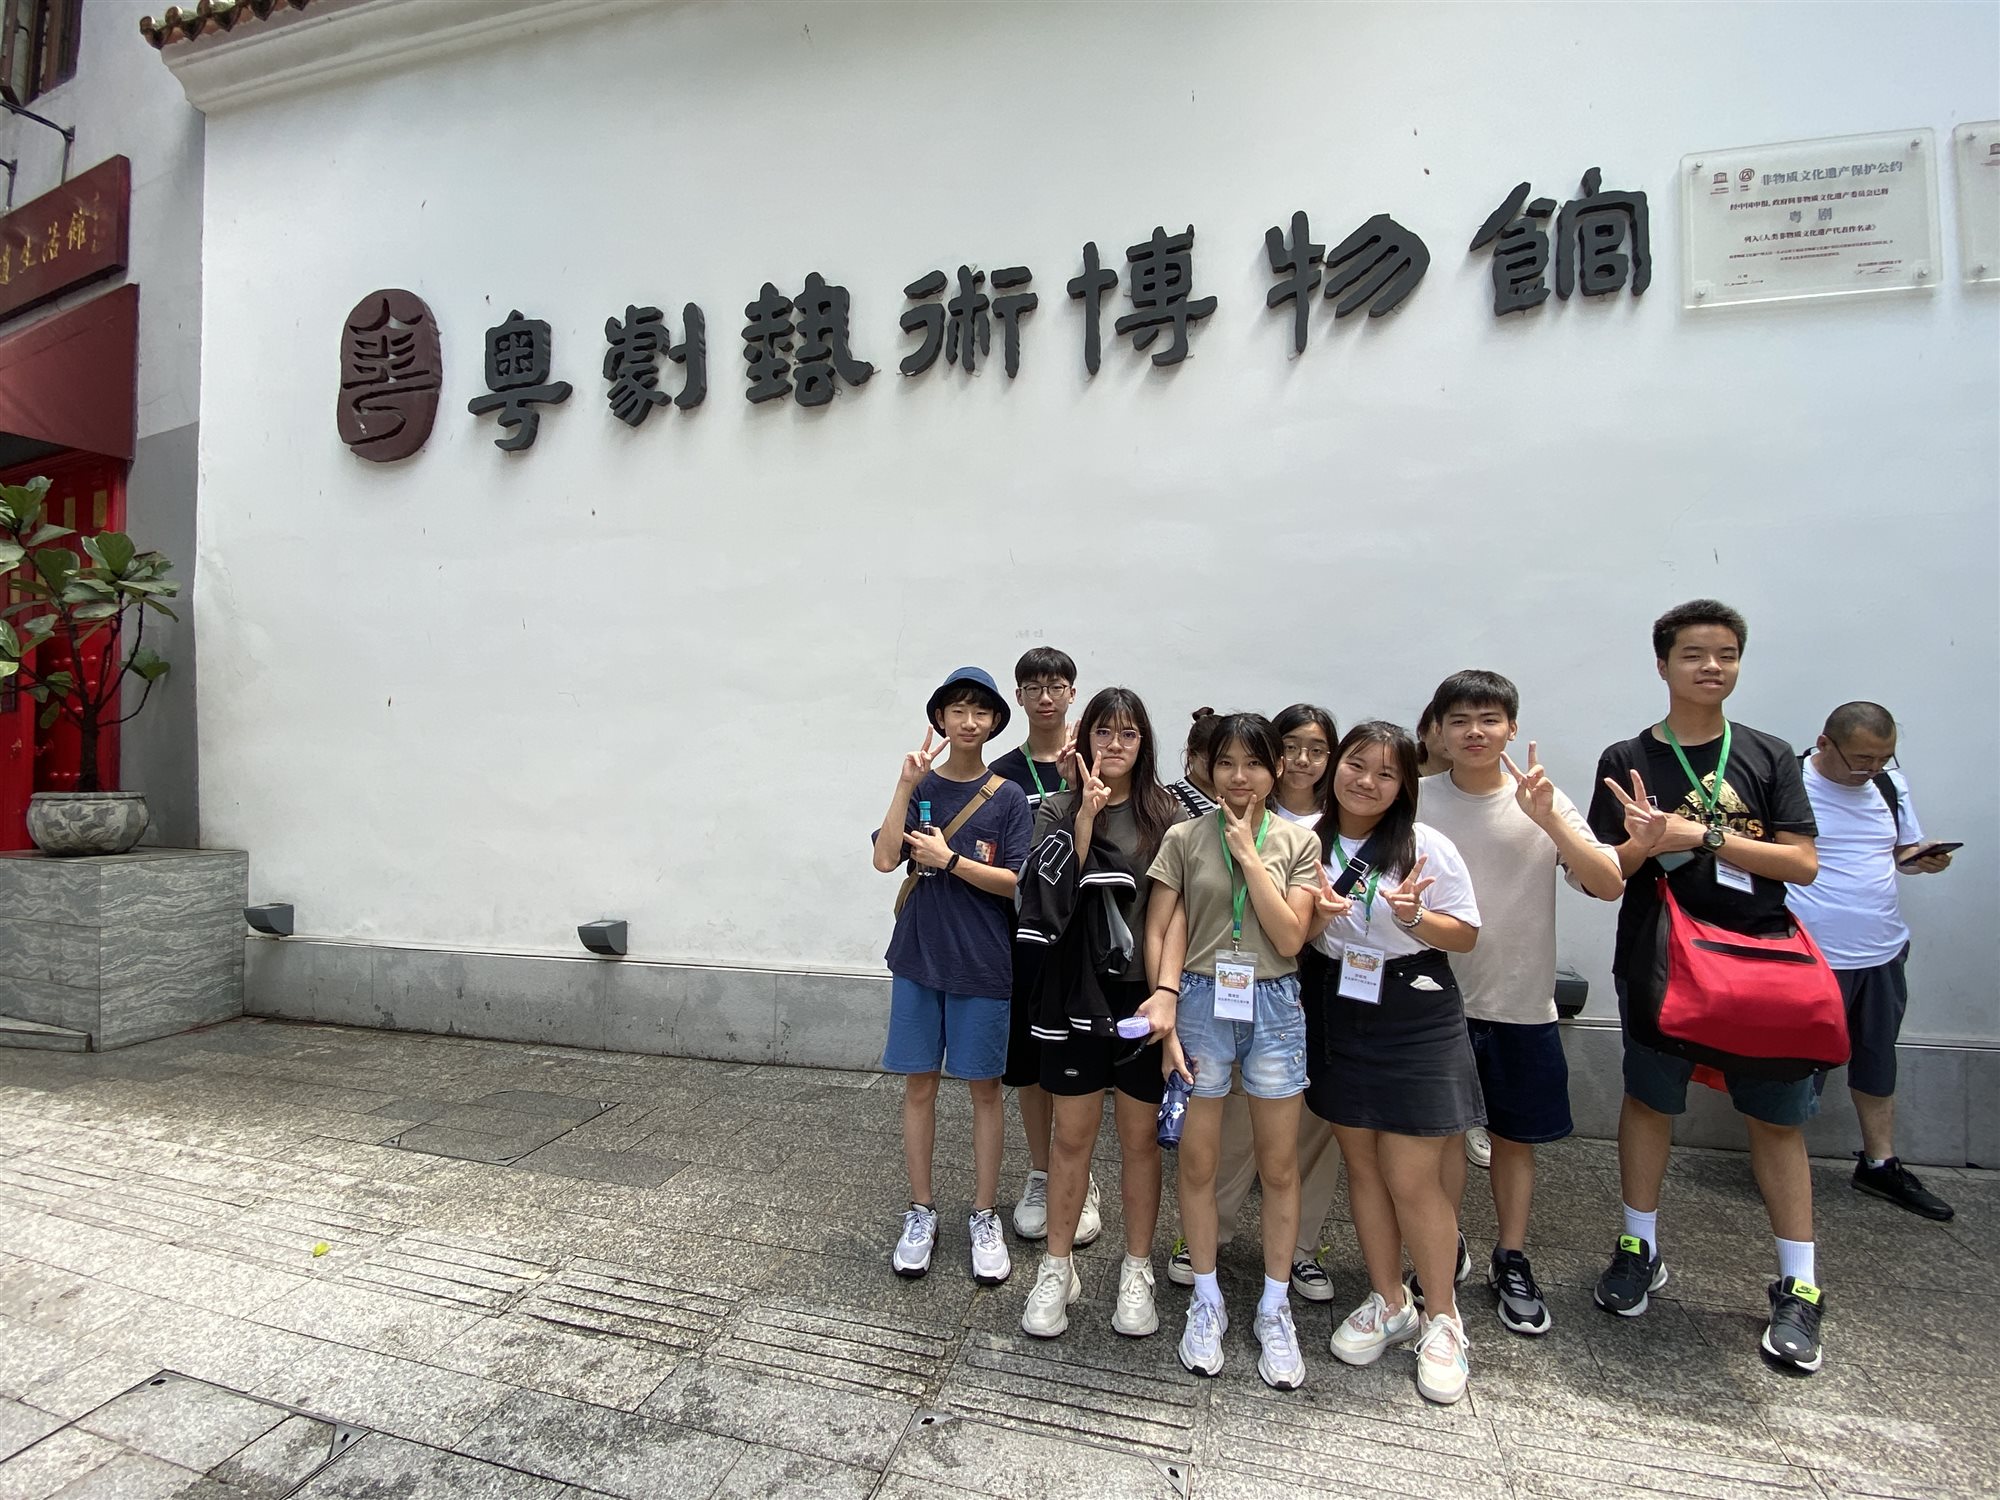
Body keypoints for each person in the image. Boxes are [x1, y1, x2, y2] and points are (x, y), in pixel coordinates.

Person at [1587, 599, 1828, 1375]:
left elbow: (1802, 862)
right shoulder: (1627, 757)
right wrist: (1639, 845)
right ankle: (1638, 1247)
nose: (1711, 666)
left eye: (1725, 654)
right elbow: (1600, 876)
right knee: (1649, 1100)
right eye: (1694, 654)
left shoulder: (1769, 754)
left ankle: (1800, 1284)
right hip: (1661, 960)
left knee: (1776, 1120)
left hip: (1760, 962)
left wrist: (1706, 835)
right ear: (1663, 665)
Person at [1419, 672, 1623, 1337]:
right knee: (1442, 1138)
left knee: (1514, 1140)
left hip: (1519, 1001)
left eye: (1489, 719)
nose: (1474, 732)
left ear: (1511, 727)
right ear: (1438, 732)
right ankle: (1443, 1245)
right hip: (1435, 1002)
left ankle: (1511, 1256)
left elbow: (1607, 883)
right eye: (1459, 720)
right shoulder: (1416, 799)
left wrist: (1552, 821)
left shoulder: (1541, 797)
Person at [1146, 713, 1331, 1388]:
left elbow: (1289, 938)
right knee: (1198, 1162)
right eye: (1226, 763)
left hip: (1275, 1005)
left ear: (1275, 769)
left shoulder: (1298, 842)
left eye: (1254, 763)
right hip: (1200, 1002)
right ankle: (1207, 1297)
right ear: (1208, 767)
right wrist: (1165, 1011)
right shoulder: (1182, 836)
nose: (1239, 777)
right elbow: (1161, 927)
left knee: (1279, 1166)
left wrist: (1250, 855)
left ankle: (1274, 1307)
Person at [1308, 721, 1483, 1406]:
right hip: (1338, 1004)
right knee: (1362, 1166)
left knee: (1411, 1175)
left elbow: (1465, 934)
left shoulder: (1425, 845)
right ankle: (1388, 1300)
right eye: (1357, 765)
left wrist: (1413, 917)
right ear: (1335, 767)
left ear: (1405, 784)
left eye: (1386, 773)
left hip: (1414, 1008)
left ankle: (1443, 1318)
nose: (1367, 781)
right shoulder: (1306, 839)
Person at [1017, 688, 1190, 1340]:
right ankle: (1056, 1267)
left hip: (1141, 996)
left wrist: (1167, 992)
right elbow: (1048, 900)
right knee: (1071, 1135)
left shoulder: (1166, 814)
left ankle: (1136, 1269)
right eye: (1104, 733)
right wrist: (1084, 816)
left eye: (1128, 734)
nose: (1115, 745)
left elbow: (1175, 911)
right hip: (1075, 994)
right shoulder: (1055, 808)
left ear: (1143, 744)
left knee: (1140, 1140)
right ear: (1084, 737)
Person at [871, 666, 1033, 1285]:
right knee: (919, 1086)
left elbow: (1015, 881)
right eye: (957, 710)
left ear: (994, 723)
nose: (968, 721)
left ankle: (984, 1215)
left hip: (983, 963)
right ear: (939, 718)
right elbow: (885, 859)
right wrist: (903, 785)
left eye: (980, 712)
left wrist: (950, 858)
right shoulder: (921, 787)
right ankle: (921, 1211)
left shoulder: (1008, 796)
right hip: (918, 957)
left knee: (985, 1090)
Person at [1786, 702, 1956, 1221]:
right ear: (1825, 743)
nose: (1872, 769)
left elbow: (1900, 853)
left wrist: (1923, 860)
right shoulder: (1788, 781)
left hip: (1881, 948)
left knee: (1877, 1058)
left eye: (1883, 758)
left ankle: (1880, 1164)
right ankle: (1781, 1165)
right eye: (1862, 759)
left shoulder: (1888, 786)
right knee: (1798, 1066)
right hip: (1811, 953)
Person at [991, 648, 1098, 1248]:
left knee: (1078, 1061)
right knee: (1031, 1064)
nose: (1046, 697)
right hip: (1024, 938)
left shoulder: (1093, 764)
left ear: (1072, 693)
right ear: (1020, 697)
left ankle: (1078, 1173)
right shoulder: (1002, 772)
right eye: (1034, 687)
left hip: (1084, 940)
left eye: (1057, 686)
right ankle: (1040, 1173)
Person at [1166, 707, 1224, 818]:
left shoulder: (1235, 794)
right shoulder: (1169, 799)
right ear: (1191, 754)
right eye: (1209, 760)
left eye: (1225, 761)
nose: (1216, 766)